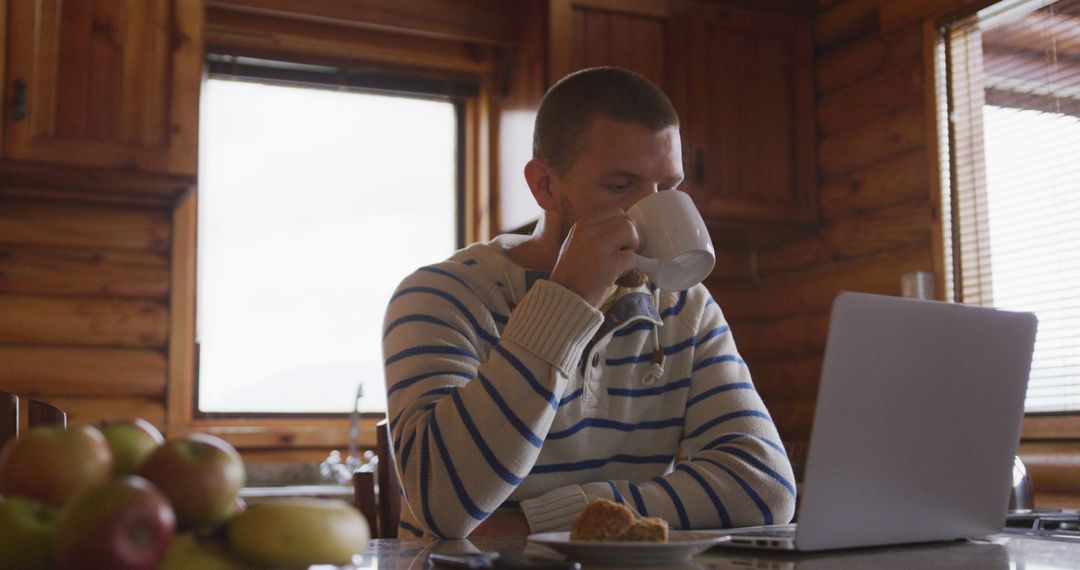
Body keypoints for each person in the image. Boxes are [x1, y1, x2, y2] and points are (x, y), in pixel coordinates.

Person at [382, 67, 796, 539]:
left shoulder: (685, 308)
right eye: (620, 187)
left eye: (669, 187)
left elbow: (767, 487)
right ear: (545, 185)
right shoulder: (440, 296)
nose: (647, 215)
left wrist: (561, 519)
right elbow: (446, 506)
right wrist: (566, 300)